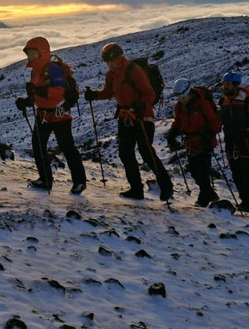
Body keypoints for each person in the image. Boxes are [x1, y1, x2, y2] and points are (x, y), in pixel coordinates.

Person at [83, 43, 174, 201]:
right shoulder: (111, 74)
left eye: (111, 61)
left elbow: (149, 94)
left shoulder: (134, 70)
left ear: (119, 58)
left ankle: (166, 187)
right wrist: (94, 95)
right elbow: (109, 92)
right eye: (107, 63)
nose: (109, 65)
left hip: (142, 117)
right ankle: (136, 189)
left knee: (146, 152)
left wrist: (141, 105)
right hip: (125, 117)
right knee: (125, 153)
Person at [14, 37, 87, 194]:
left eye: (33, 53)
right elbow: (37, 95)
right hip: (43, 115)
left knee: (67, 147)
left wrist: (37, 91)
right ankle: (45, 179)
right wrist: (26, 102)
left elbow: (58, 93)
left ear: (42, 52)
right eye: (29, 53)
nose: (30, 56)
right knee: (38, 146)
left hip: (59, 114)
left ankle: (79, 181)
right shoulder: (36, 70)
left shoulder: (53, 69)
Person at [166, 78, 220, 207]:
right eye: (179, 98)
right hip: (191, 143)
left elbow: (215, 122)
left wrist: (209, 134)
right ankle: (210, 194)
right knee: (195, 171)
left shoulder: (203, 104)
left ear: (188, 93)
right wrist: (172, 133)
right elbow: (178, 122)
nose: (182, 100)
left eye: (183, 97)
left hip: (204, 142)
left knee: (202, 170)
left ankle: (204, 198)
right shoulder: (179, 106)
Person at [217, 72, 249, 212]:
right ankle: (247, 203)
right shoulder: (224, 101)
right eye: (224, 84)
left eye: (227, 84)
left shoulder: (247, 100)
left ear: (235, 85)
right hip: (231, 141)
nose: (225, 87)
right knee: (237, 173)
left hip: (246, 141)